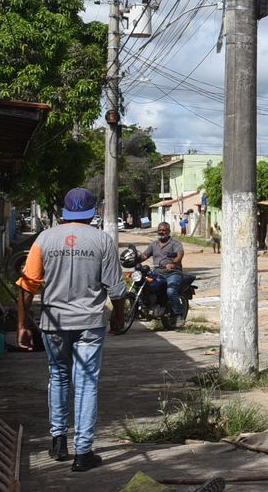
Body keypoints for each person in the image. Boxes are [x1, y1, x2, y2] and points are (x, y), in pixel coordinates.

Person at [16, 187, 125, 471]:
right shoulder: (103, 240)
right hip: (89, 324)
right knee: (86, 384)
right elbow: (116, 289)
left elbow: (28, 286)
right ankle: (83, 452)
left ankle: (58, 441)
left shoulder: (45, 238)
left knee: (58, 377)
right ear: (92, 213)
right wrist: (118, 318)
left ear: (65, 212)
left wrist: (22, 325)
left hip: (53, 323)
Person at [139, 222, 188, 320]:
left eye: (164, 230)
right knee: (143, 286)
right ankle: (146, 308)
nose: (161, 232)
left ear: (168, 231)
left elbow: (180, 254)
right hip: (157, 273)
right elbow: (144, 255)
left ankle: (178, 315)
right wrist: (135, 259)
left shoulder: (175, 243)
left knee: (171, 291)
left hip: (173, 273)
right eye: (160, 230)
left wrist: (173, 263)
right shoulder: (154, 244)